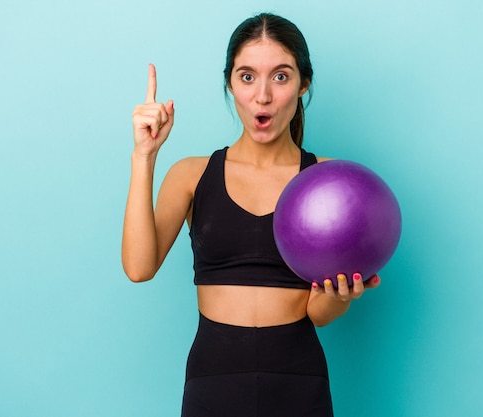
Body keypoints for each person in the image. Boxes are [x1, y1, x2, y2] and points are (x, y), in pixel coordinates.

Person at [122, 12, 381, 417]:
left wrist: (339, 298)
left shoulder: (329, 184)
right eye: (247, 77)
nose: (262, 96)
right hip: (213, 379)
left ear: (303, 84)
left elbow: (319, 314)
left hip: (299, 380)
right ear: (230, 84)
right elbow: (139, 268)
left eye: (280, 76)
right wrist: (144, 156)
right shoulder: (191, 175)